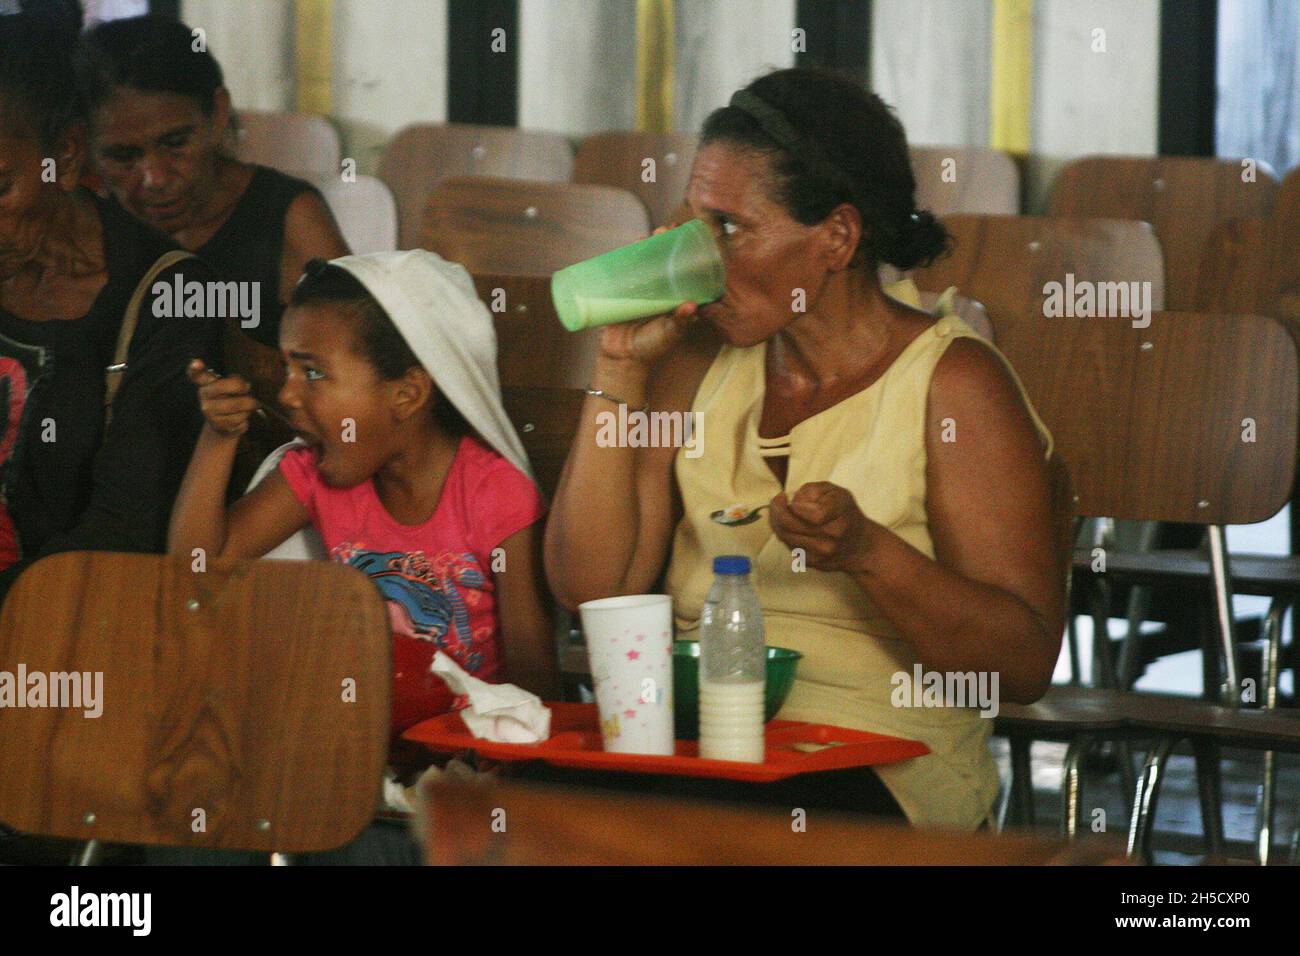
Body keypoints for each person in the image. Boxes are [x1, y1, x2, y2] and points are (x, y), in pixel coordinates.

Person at [543, 68, 1065, 830]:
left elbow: (1019, 665)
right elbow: (589, 588)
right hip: (706, 746)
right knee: (539, 822)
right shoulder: (694, 362)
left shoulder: (955, 385)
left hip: (884, 764)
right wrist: (619, 368)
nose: (696, 253)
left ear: (837, 238)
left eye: (729, 227)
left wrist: (868, 553)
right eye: (694, 222)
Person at [0, 9, 221, 606]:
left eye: (0, 188)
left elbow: (124, 531)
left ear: (66, 158)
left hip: (65, 628)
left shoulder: (165, 297)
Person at [79, 14, 350, 354]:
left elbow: (354, 365)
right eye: (122, 156)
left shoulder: (289, 218)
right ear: (82, 148)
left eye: (175, 142)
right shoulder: (82, 225)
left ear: (218, 114)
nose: (156, 179)